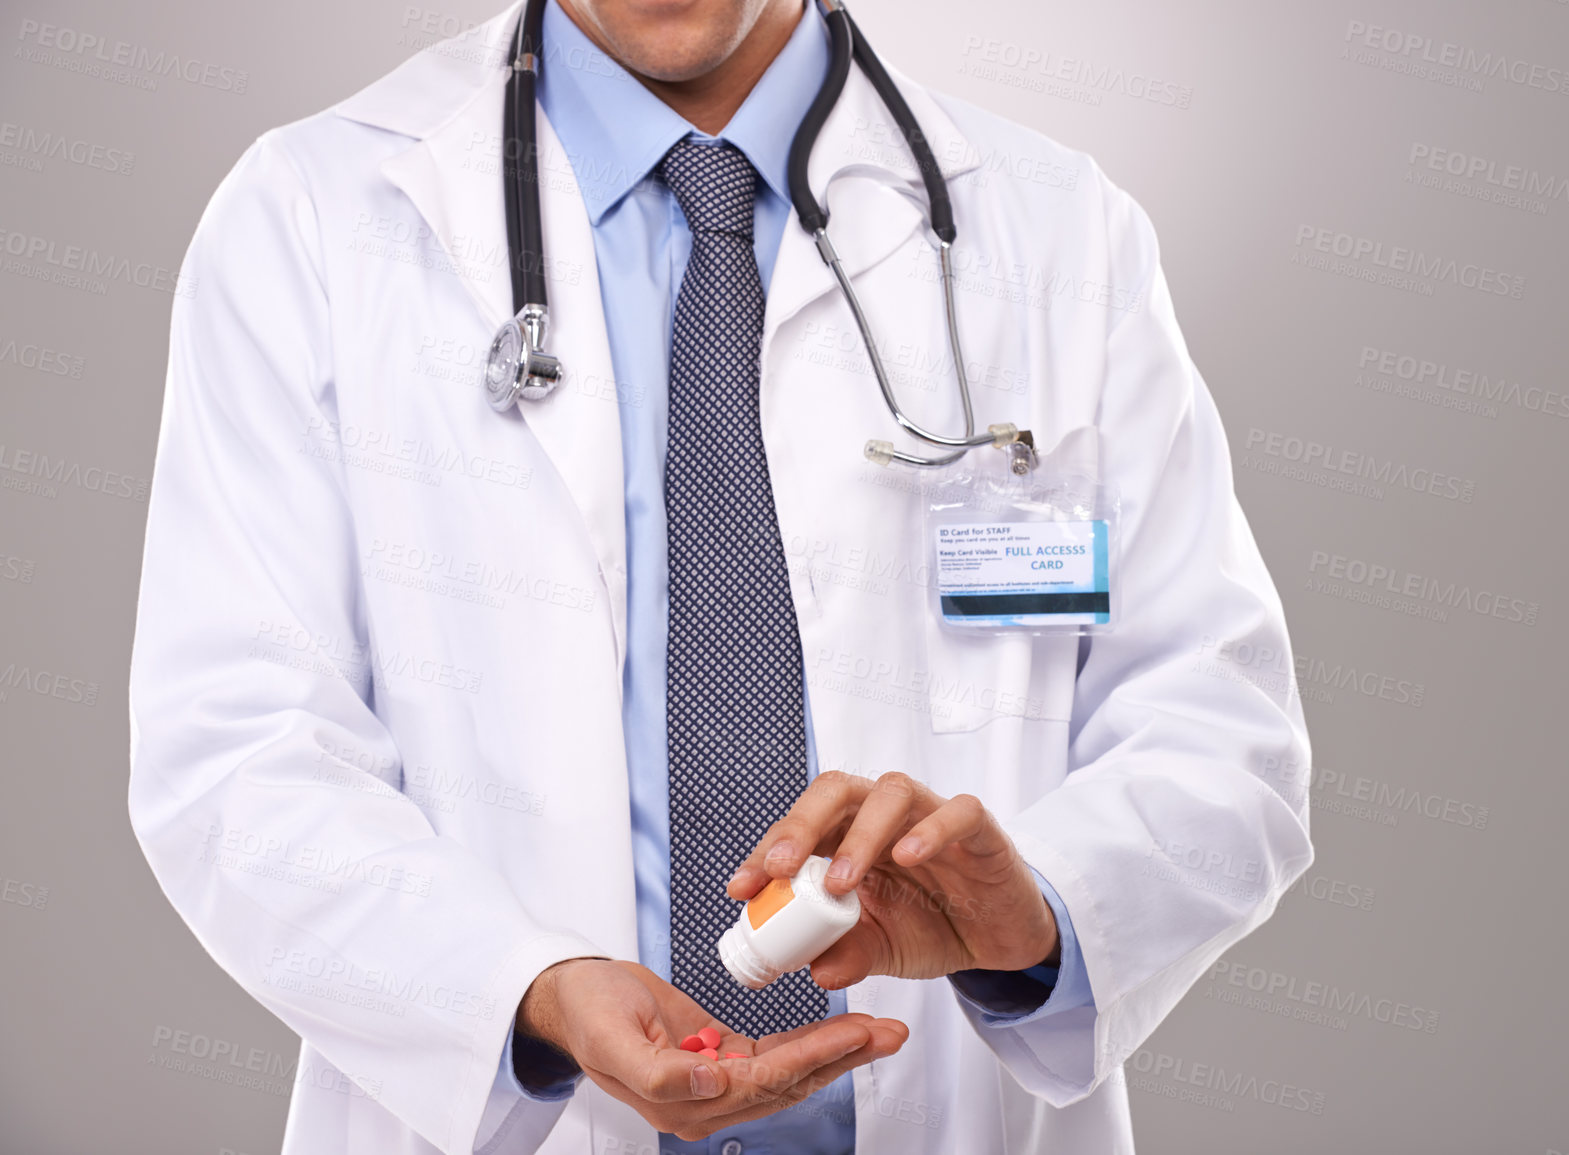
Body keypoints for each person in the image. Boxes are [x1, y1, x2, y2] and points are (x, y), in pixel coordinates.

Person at [127, 0, 1315, 1151]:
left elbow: (1217, 729)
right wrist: (524, 992)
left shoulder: (1061, 235)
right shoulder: (312, 219)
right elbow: (238, 756)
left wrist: (1042, 915)